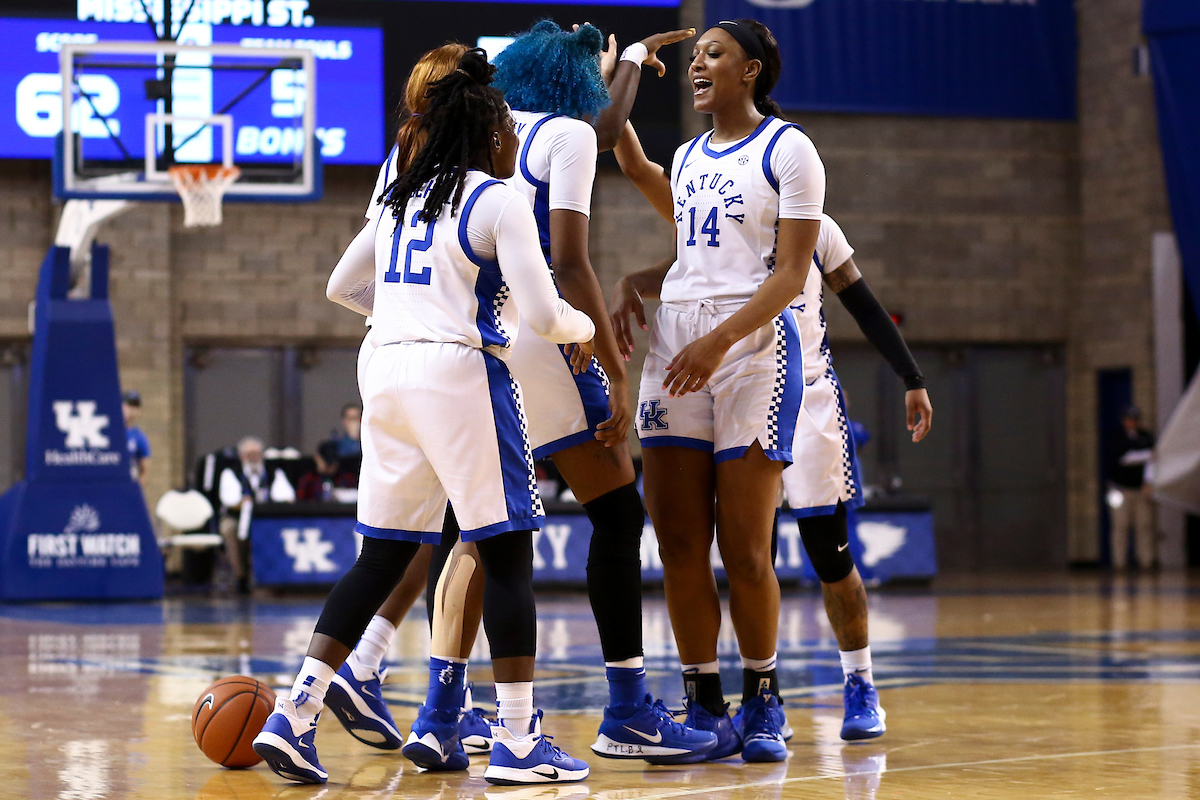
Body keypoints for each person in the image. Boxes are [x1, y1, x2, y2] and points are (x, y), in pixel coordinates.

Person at [325, 25, 716, 767]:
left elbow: (356, 273)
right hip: (527, 330)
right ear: (577, 82)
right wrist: (611, 362)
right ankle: (626, 707)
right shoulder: (563, 133)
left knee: (468, 529)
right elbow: (569, 261)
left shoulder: (420, 145)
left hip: (416, 342)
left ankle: (428, 700)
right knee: (614, 513)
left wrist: (624, 64)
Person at [254, 50, 597, 786]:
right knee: (506, 552)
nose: (513, 138)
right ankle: (517, 738)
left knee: (379, 556)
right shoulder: (499, 200)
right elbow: (542, 312)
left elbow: (341, 286)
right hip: (458, 371)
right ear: (487, 131)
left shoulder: (397, 197)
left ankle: (295, 713)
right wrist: (583, 329)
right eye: (506, 126)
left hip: (384, 367)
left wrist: (409, 315)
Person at [613, 112, 934, 739]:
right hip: (721, 367)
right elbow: (685, 267)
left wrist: (911, 375)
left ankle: (859, 682)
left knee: (826, 554)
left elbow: (863, 305)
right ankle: (723, 697)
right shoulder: (716, 206)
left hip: (803, 387)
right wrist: (635, 280)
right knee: (706, 542)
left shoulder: (816, 229)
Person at [607, 19, 824, 763]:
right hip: (679, 341)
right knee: (676, 542)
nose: (698, 64)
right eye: (695, 56)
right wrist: (627, 63)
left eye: (714, 55)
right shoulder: (691, 153)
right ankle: (704, 701)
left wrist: (718, 340)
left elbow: (791, 274)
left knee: (744, 545)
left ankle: (765, 698)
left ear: (752, 71)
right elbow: (630, 161)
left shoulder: (788, 149)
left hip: (753, 346)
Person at [217, 436, 295, 594]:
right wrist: (245, 503)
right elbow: (230, 500)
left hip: (266, 518)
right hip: (238, 518)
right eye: (249, 454)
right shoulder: (231, 473)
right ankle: (241, 576)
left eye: (256, 453)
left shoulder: (273, 472)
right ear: (241, 456)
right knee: (228, 528)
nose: (253, 457)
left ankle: (274, 578)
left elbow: (287, 496)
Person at [1108, 406, 1156, 569]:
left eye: (1134, 420)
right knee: (1120, 526)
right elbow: (1123, 459)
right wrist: (1146, 454)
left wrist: (1149, 482)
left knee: (1144, 526)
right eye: (1128, 420)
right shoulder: (1116, 438)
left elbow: (1153, 462)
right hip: (1121, 488)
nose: (1131, 423)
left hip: (1141, 488)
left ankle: (1146, 562)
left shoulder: (1146, 437)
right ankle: (1119, 564)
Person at [122, 390, 150, 486]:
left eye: (136, 407)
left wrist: (137, 489)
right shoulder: (111, 432)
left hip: (130, 482)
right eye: (129, 405)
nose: (132, 410)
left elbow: (144, 470)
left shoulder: (139, 437)